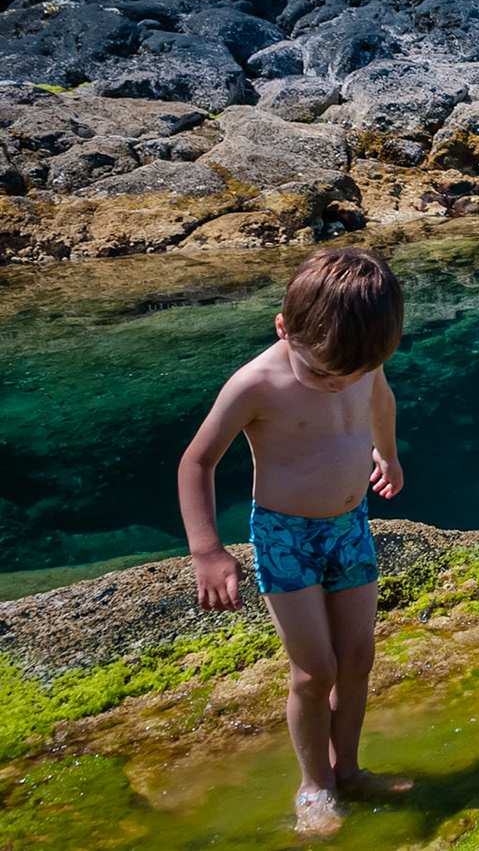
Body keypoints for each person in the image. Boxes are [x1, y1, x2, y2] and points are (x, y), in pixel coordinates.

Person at [177, 247, 410, 835]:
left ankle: (350, 769)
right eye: (325, 373)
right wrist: (207, 549)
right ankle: (315, 785)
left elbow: (380, 399)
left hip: (349, 525)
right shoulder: (256, 383)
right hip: (286, 536)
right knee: (316, 670)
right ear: (283, 328)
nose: (339, 385)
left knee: (358, 657)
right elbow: (197, 462)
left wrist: (388, 452)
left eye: (351, 374)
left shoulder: (358, 359)